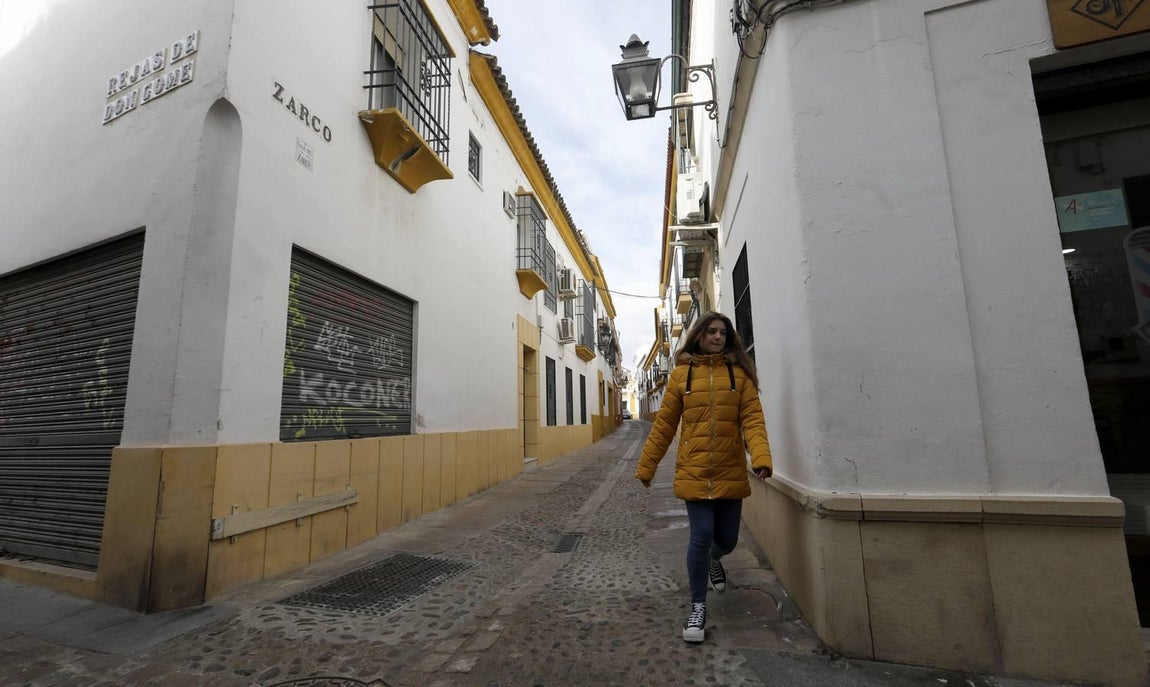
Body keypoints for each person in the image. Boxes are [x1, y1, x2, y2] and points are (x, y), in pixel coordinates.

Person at [635, 311, 773, 643]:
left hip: (729, 471)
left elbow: (752, 420)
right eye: (710, 332)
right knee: (699, 537)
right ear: (698, 335)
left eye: (722, 333)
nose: (717, 337)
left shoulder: (739, 376)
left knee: (726, 540)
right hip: (694, 472)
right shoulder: (681, 376)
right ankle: (698, 606)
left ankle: (716, 559)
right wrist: (647, 466)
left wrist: (762, 456)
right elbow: (665, 425)